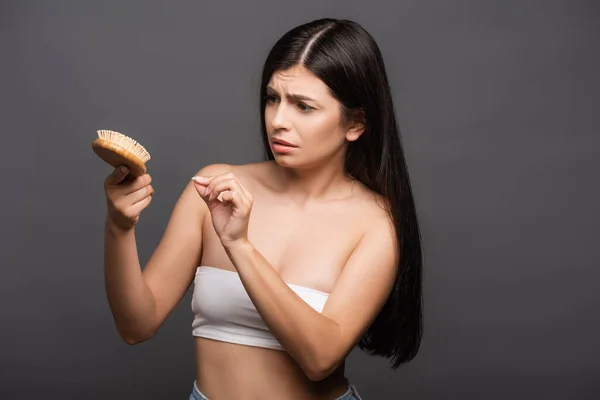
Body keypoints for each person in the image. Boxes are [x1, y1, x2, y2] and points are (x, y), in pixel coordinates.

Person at [102, 18, 423, 400]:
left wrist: (240, 246)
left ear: (355, 123)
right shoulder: (214, 188)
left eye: (303, 106)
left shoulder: (376, 224)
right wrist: (120, 227)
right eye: (273, 99)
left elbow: (319, 358)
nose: (278, 121)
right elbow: (136, 325)